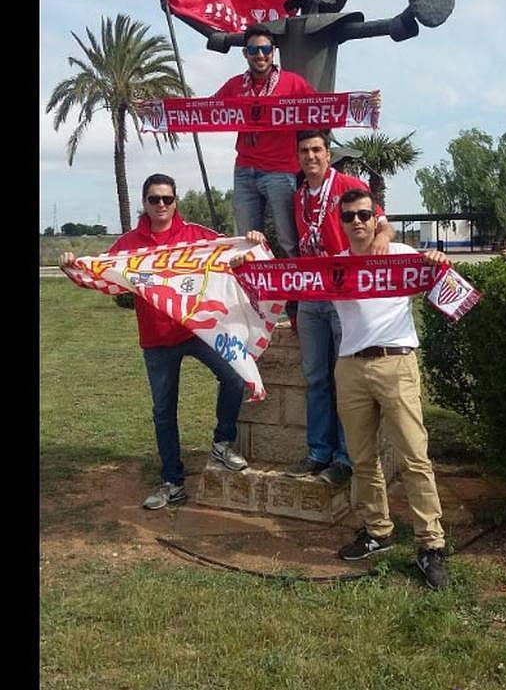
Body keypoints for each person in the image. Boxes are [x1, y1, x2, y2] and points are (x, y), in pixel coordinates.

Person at [58, 173, 265, 511]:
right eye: (154, 199)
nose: (161, 205)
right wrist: (73, 267)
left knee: (233, 377)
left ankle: (222, 442)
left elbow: (229, 252)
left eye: (167, 199)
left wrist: (251, 242)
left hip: (196, 331)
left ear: (175, 202)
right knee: (163, 412)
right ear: (144, 202)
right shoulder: (129, 244)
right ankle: (173, 481)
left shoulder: (195, 236)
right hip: (156, 339)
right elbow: (104, 275)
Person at [330, 188, 450, 589]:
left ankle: (430, 544)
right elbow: (281, 278)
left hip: (396, 363)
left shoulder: (401, 253)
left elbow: (444, 286)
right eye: (349, 216)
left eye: (364, 214)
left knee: (415, 457)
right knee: (362, 460)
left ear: (376, 217)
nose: (357, 221)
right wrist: (249, 254)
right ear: (341, 222)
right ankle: (378, 531)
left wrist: (437, 263)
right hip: (350, 367)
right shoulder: (332, 266)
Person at [284, 130, 395, 487]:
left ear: (328, 155)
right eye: (304, 150)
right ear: (298, 157)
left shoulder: (348, 183)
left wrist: (381, 238)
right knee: (316, 377)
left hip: (343, 294)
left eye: (317, 149)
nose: (310, 156)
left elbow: (382, 222)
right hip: (310, 295)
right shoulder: (299, 196)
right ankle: (319, 452)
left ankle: (347, 458)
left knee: (344, 378)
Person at [213, 26, 317, 329]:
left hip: (281, 170)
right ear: (245, 54)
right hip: (245, 169)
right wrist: (160, 111)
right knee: (246, 243)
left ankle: (300, 307)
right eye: (254, 50)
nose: (260, 55)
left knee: (288, 240)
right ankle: (252, 307)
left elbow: (321, 110)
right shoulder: (235, 85)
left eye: (266, 50)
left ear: (274, 53)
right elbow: (207, 110)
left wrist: (361, 105)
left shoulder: (292, 82)